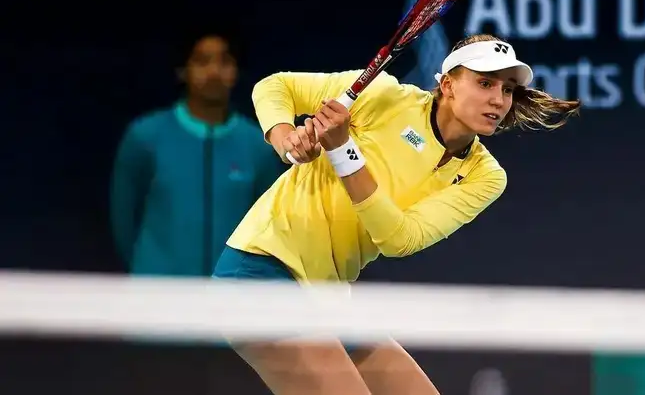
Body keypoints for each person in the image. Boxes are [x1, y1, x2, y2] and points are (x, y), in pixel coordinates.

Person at [213, 33, 581, 394]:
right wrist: (286, 139)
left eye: (507, 89)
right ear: (448, 85)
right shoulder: (382, 95)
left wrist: (342, 151)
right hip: (260, 270)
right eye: (484, 83)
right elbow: (274, 87)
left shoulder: (484, 176)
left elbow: (399, 239)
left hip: (328, 296)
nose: (498, 99)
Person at [110, 32, 286, 277]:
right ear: (183, 70)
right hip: (155, 290)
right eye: (202, 61)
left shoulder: (259, 145)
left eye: (224, 62)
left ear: (236, 71)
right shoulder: (145, 136)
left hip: (232, 292)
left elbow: (269, 227)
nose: (213, 72)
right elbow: (124, 220)